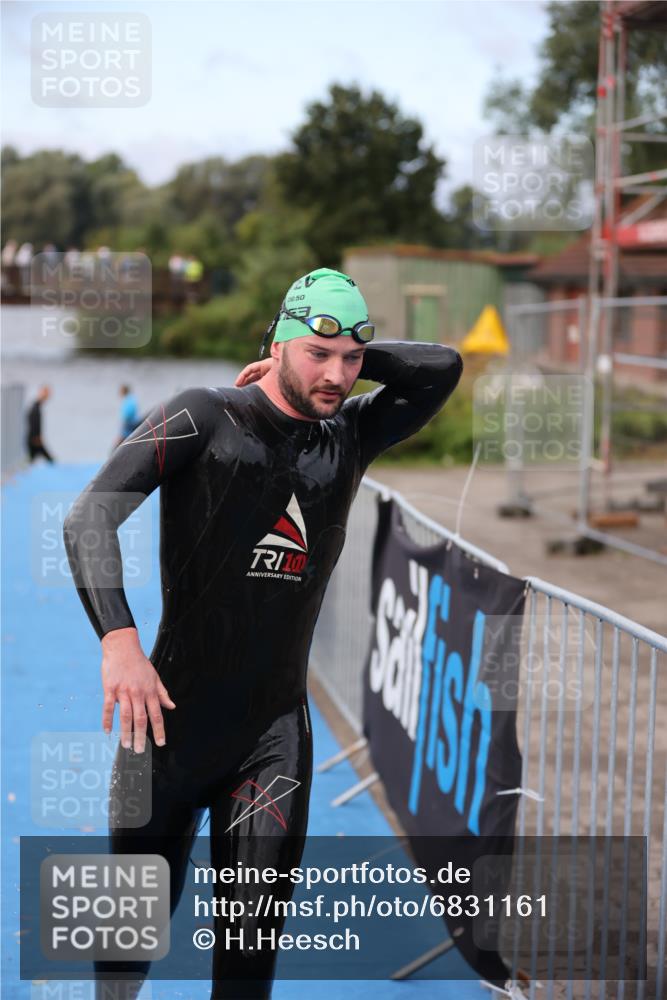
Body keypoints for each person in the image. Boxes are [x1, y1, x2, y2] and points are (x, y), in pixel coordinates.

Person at [63, 267, 463, 999]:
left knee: (248, 967)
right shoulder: (202, 416)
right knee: (121, 955)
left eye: (351, 360)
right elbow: (89, 515)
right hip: (165, 731)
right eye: (318, 353)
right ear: (277, 342)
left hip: (271, 739)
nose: (337, 374)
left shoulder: (350, 433)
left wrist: (342, 346)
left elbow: (444, 368)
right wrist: (118, 640)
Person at [26, 385, 55, 463]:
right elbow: (33, 422)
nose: (48, 396)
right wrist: (36, 437)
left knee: (30, 461)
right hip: (34, 439)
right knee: (51, 461)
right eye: (46, 393)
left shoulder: (37, 406)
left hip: (34, 439)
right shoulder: (35, 407)